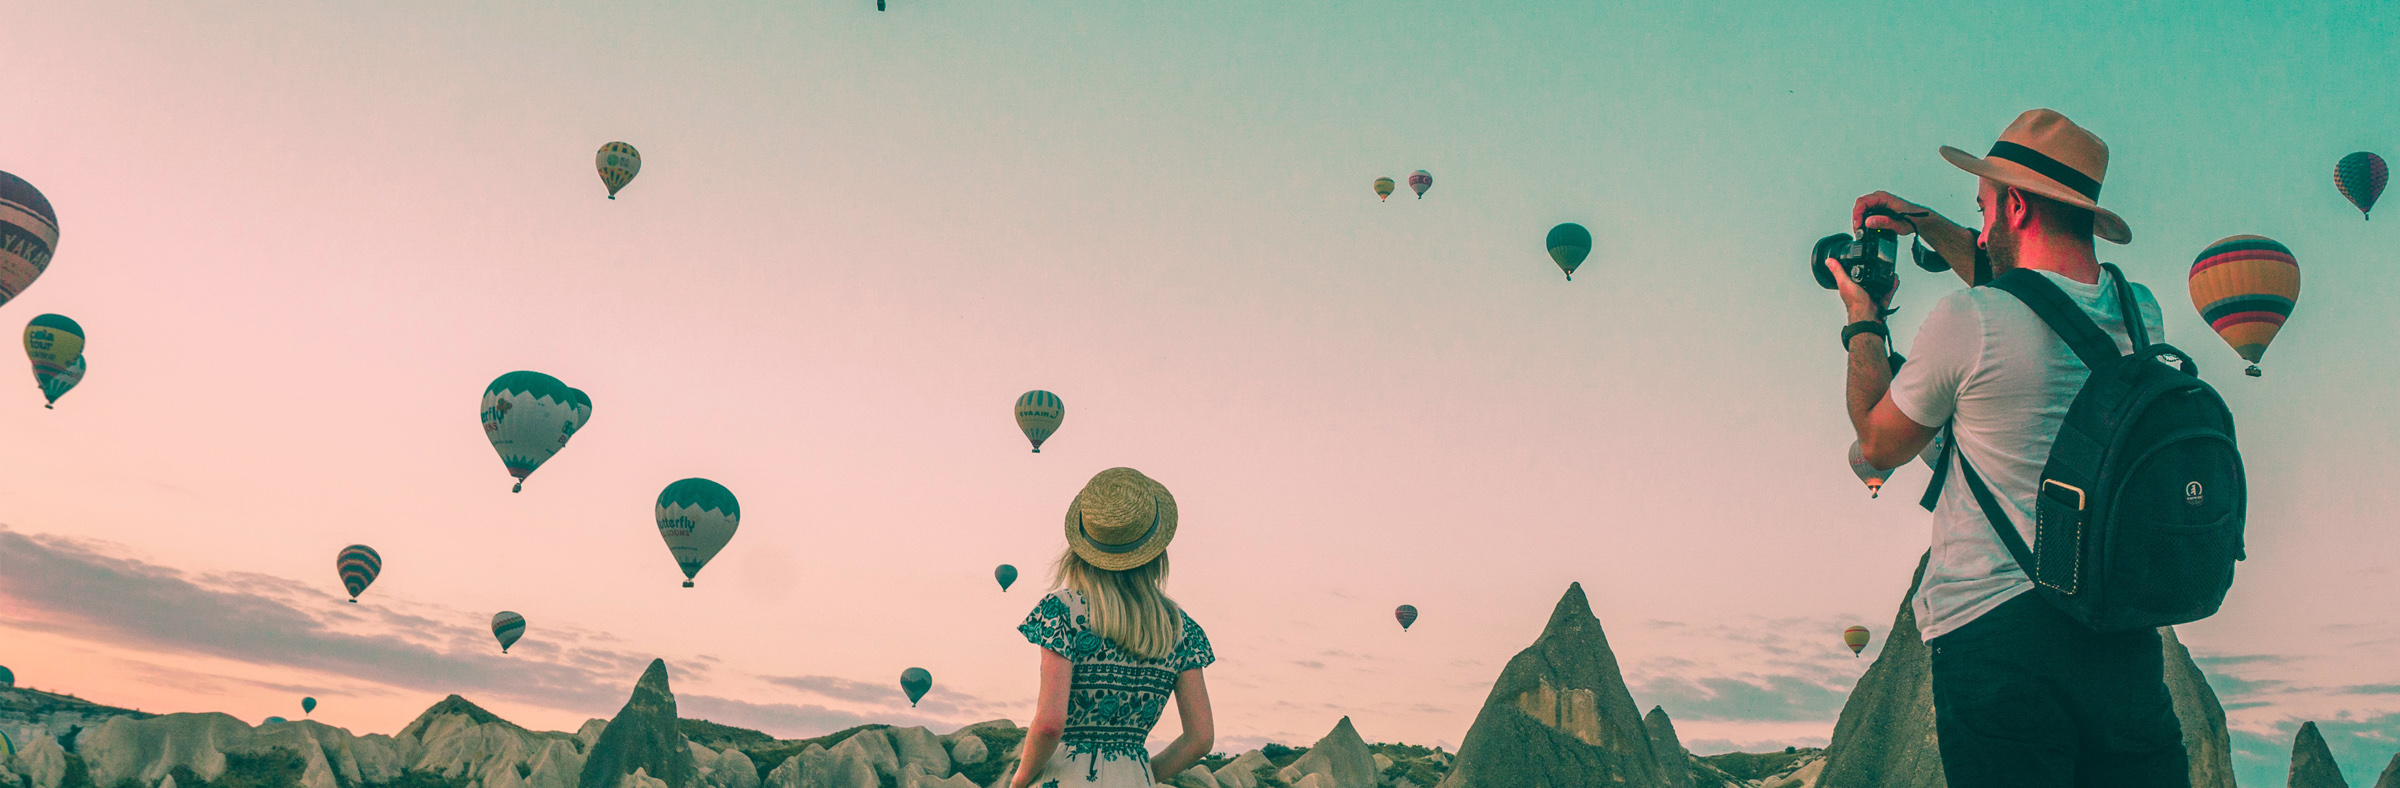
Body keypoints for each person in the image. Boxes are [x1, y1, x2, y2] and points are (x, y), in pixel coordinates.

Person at [1830, 109, 2188, 787]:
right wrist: (1928, 224)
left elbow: (1876, 443)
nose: (1980, 228)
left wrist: (1862, 320)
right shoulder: (2143, 314)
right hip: (2120, 634)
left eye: (1984, 210)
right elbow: (2038, 297)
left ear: (2015, 206)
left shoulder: (1971, 321)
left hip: (1997, 639)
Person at [1009, 467, 1215, 788]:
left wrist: (1020, 780)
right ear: (1155, 551)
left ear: (1082, 548)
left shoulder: (1061, 610)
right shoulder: (1182, 629)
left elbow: (1050, 724)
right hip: (1133, 776)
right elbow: (1200, 738)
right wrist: (1142, 774)